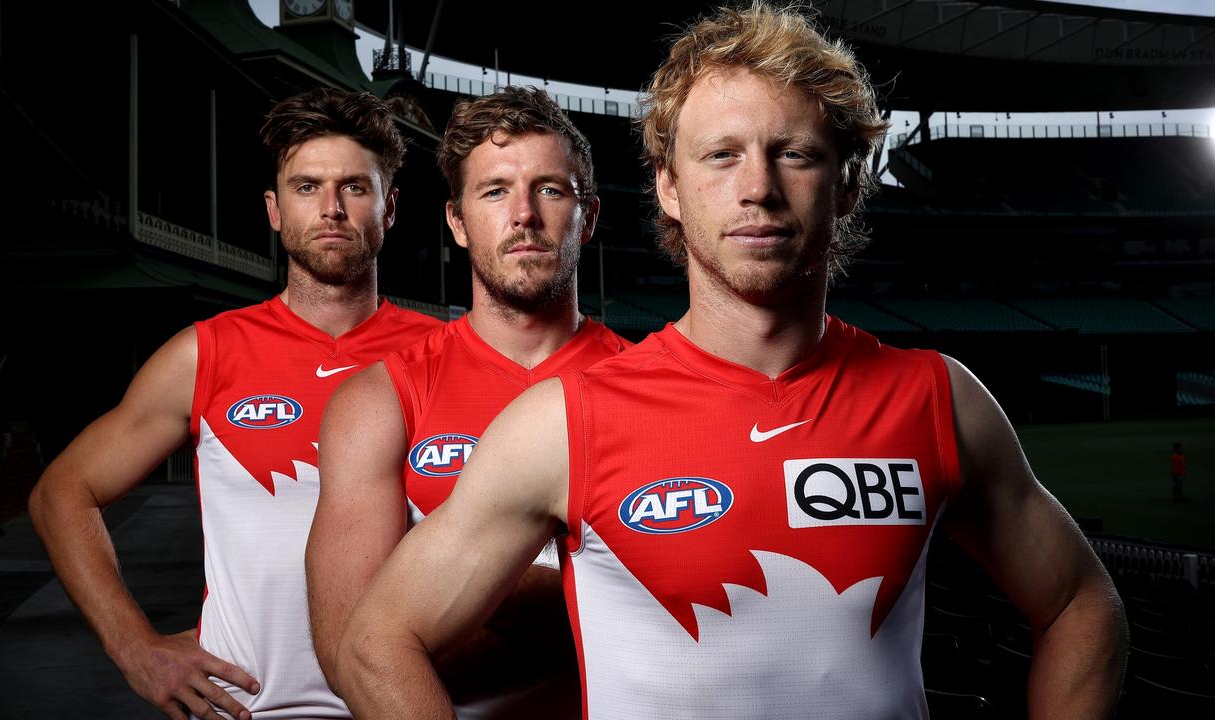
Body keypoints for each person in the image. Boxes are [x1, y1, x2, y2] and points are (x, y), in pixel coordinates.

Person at [334, 5, 1130, 719]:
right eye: (721, 155)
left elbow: (1079, 604)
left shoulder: (938, 399)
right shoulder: (563, 422)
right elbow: (378, 643)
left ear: (848, 183)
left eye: (796, 153)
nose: (758, 187)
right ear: (670, 188)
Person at [28, 87, 442, 720]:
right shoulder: (208, 352)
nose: (330, 209)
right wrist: (135, 648)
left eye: (354, 188)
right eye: (307, 188)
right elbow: (62, 492)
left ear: (389, 208)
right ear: (274, 210)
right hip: (248, 707)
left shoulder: (443, 355)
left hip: (405, 703)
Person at [305, 87, 629, 718]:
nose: (524, 215)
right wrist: (602, 608)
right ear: (456, 221)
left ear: (587, 217)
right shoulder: (380, 399)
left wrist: (434, 601)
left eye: (550, 190)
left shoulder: (651, 386)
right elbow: (355, 655)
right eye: (494, 191)